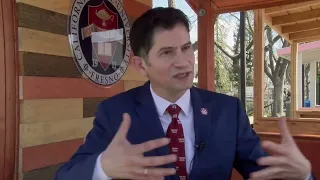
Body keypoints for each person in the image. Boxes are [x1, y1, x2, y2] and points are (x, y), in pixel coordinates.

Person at [55, 7, 315, 180]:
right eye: (167, 52)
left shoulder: (227, 111)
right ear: (141, 65)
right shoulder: (115, 113)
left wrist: (302, 175)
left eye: (186, 47)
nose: (184, 61)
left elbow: (265, 171)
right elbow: (66, 175)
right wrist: (102, 167)